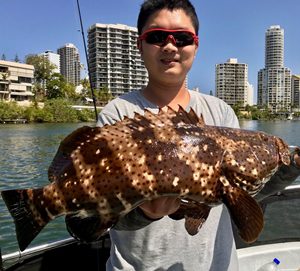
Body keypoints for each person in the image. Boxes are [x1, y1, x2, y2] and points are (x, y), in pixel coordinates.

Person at [67, 0, 300, 270]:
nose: (170, 46)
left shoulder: (220, 113)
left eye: (182, 38)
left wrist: (291, 167)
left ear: (196, 45)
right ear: (139, 45)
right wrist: (145, 213)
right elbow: (102, 216)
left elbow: (242, 195)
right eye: (156, 37)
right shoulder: (116, 115)